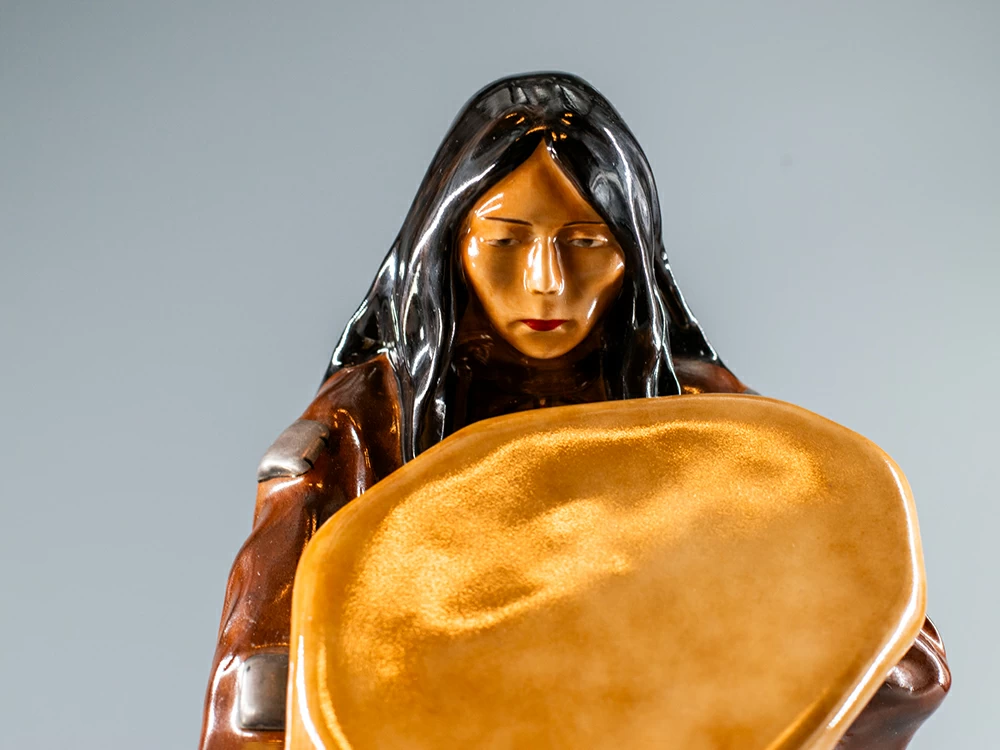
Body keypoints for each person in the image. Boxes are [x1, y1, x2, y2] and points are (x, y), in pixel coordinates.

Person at [199, 72, 949, 750]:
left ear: (635, 253)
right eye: (505, 240)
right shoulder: (364, 426)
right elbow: (259, 687)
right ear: (449, 245)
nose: (548, 281)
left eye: (588, 242)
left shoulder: (707, 425)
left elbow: (899, 659)